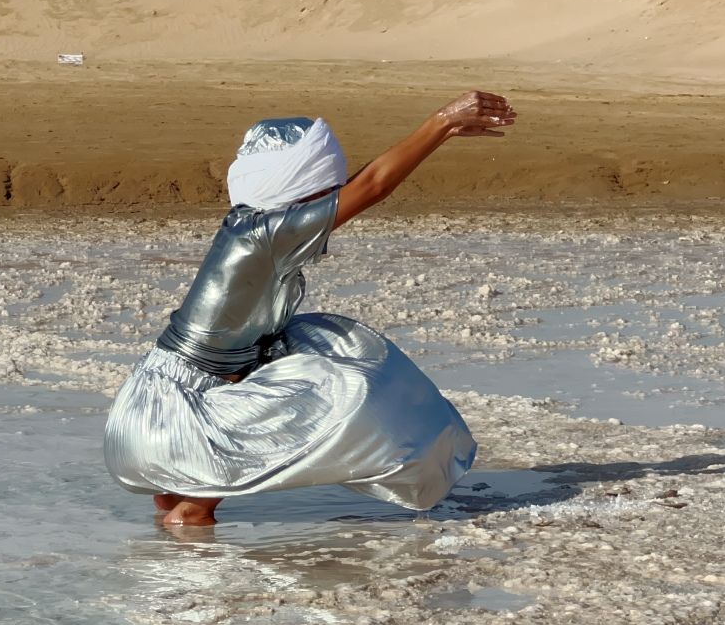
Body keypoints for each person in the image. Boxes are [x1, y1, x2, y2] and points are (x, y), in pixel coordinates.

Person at [104, 90, 517, 526]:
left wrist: (446, 131)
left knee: (310, 344)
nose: (336, 196)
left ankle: (182, 514)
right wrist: (440, 122)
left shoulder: (260, 226)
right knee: (345, 389)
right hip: (178, 412)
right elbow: (372, 186)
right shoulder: (266, 235)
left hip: (169, 404)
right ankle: (202, 570)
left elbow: (358, 188)